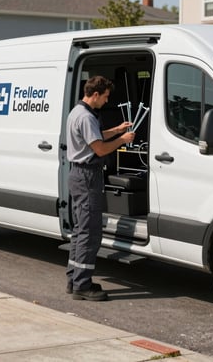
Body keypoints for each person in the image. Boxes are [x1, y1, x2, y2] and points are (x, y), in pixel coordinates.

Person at [66, 75, 135, 301]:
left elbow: (94, 137)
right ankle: (83, 286)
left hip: (78, 174)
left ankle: (74, 279)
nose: (106, 101)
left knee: (79, 229)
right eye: (105, 97)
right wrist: (123, 140)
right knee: (90, 231)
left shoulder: (78, 112)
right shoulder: (86, 117)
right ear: (95, 94)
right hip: (87, 176)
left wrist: (116, 129)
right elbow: (101, 149)